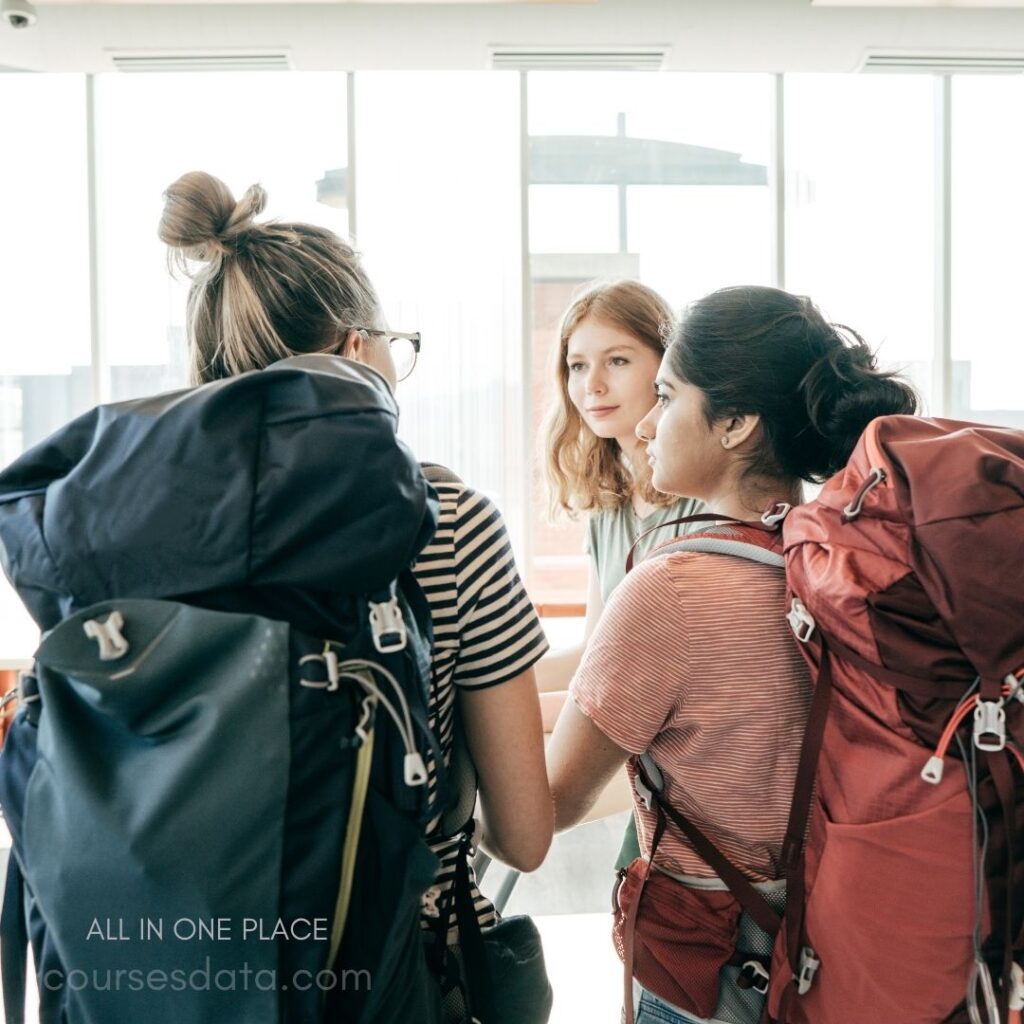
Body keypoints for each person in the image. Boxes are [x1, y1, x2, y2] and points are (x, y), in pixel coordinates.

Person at [158, 171, 553, 950]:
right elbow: (526, 835)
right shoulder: (450, 522)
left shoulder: (150, 527)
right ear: (354, 348)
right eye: (394, 345)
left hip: (194, 967)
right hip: (391, 967)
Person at [545, 285, 918, 1024]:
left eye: (667, 395)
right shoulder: (836, 565)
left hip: (705, 970)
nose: (649, 424)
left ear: (738, 423)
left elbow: (551, 805)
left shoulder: (672, 589)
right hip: (829, 950)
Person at [537, 279, 704, 869]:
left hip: (683, 757)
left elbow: (649, 693)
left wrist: (502, 708)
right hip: (630, 737)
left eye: (617, 361)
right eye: (577, 366)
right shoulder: (607, 509)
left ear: (666, 370)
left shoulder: (704, 502)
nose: (592, 386)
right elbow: (594, 655)